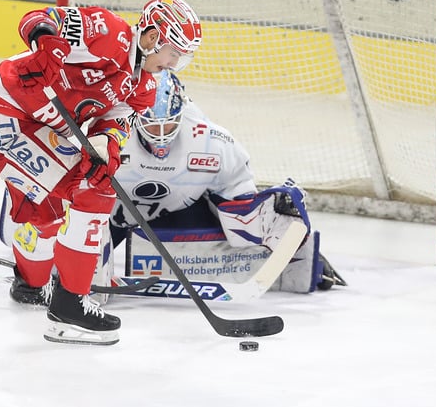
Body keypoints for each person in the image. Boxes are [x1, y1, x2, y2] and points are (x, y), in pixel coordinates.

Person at [0, 0, 202, 345]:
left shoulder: (146, 86)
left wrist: (106, 144)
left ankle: (30, 286)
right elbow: (37, 18)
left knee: (46, 212)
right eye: (173, 52)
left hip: (42, 129)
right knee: (95, 189)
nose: (174, 62)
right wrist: (46, 42)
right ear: (152, 38)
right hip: (2, 112)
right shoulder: (108, 31)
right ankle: (70, 306)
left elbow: (116, 122)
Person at [108, 71, 346, 293]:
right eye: (151, 124)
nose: (160, 134)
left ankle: (302, 263)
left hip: (178, 211)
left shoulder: (210, 141)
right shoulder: (110, 133)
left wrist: (274, 224)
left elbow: (237, 196)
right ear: (135, 114)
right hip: (110, 215)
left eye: (168, 123)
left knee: (230, 242)